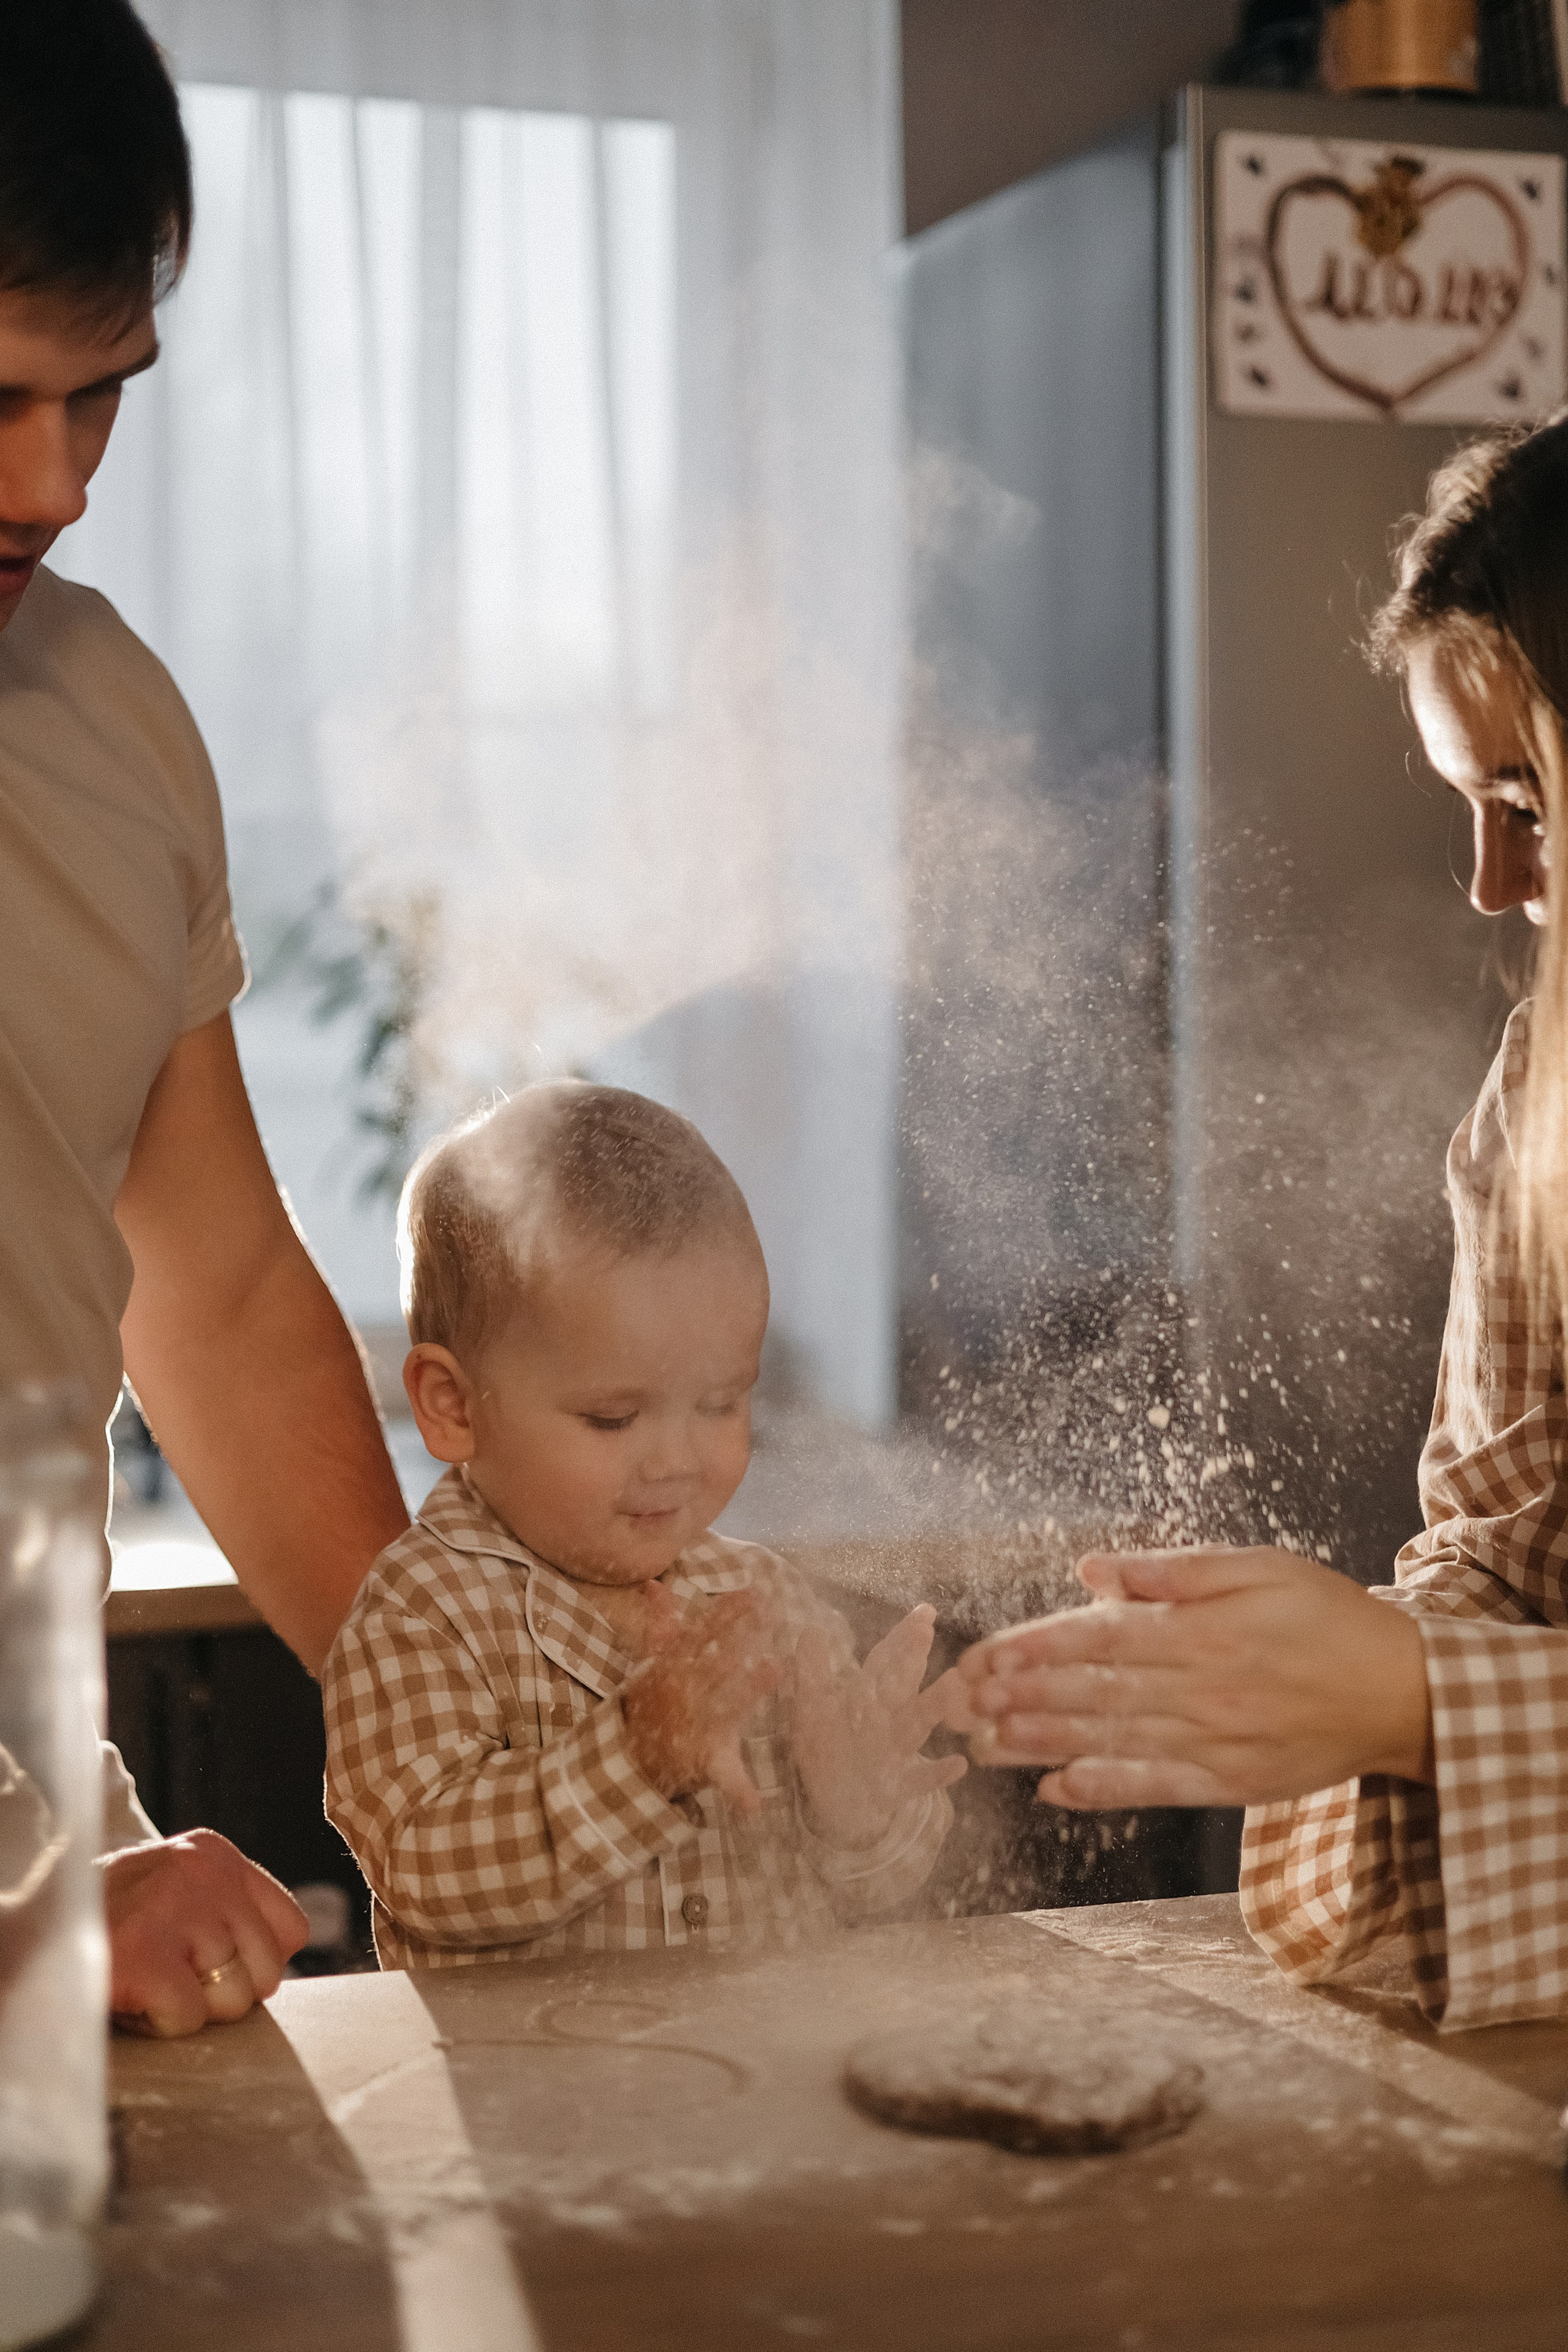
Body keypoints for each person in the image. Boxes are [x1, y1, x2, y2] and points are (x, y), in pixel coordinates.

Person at [950, 412, 1568, 2034]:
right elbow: (1504, 1551)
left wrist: (1422, 1699)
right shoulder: (1539, 1097)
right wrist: (1344, 1673)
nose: (1493, 882)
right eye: (1467, 802)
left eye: (1531, 798)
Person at [0, 1, 410, 2032]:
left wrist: (462, 1730)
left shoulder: (110, 723)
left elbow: (221, 1285)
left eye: (103, 399)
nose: (54, 487)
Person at [323, 1085, 962, 1966]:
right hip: (540, 2099)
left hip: (760, 2092)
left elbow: (877, 1883)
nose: (677, 1461)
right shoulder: (420, 1615)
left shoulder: (761, 1600)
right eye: (614, 1419)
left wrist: (859, 1811)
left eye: (720, 1402)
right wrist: (639, 1754)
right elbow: (427, 1873)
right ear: (453, 1406)